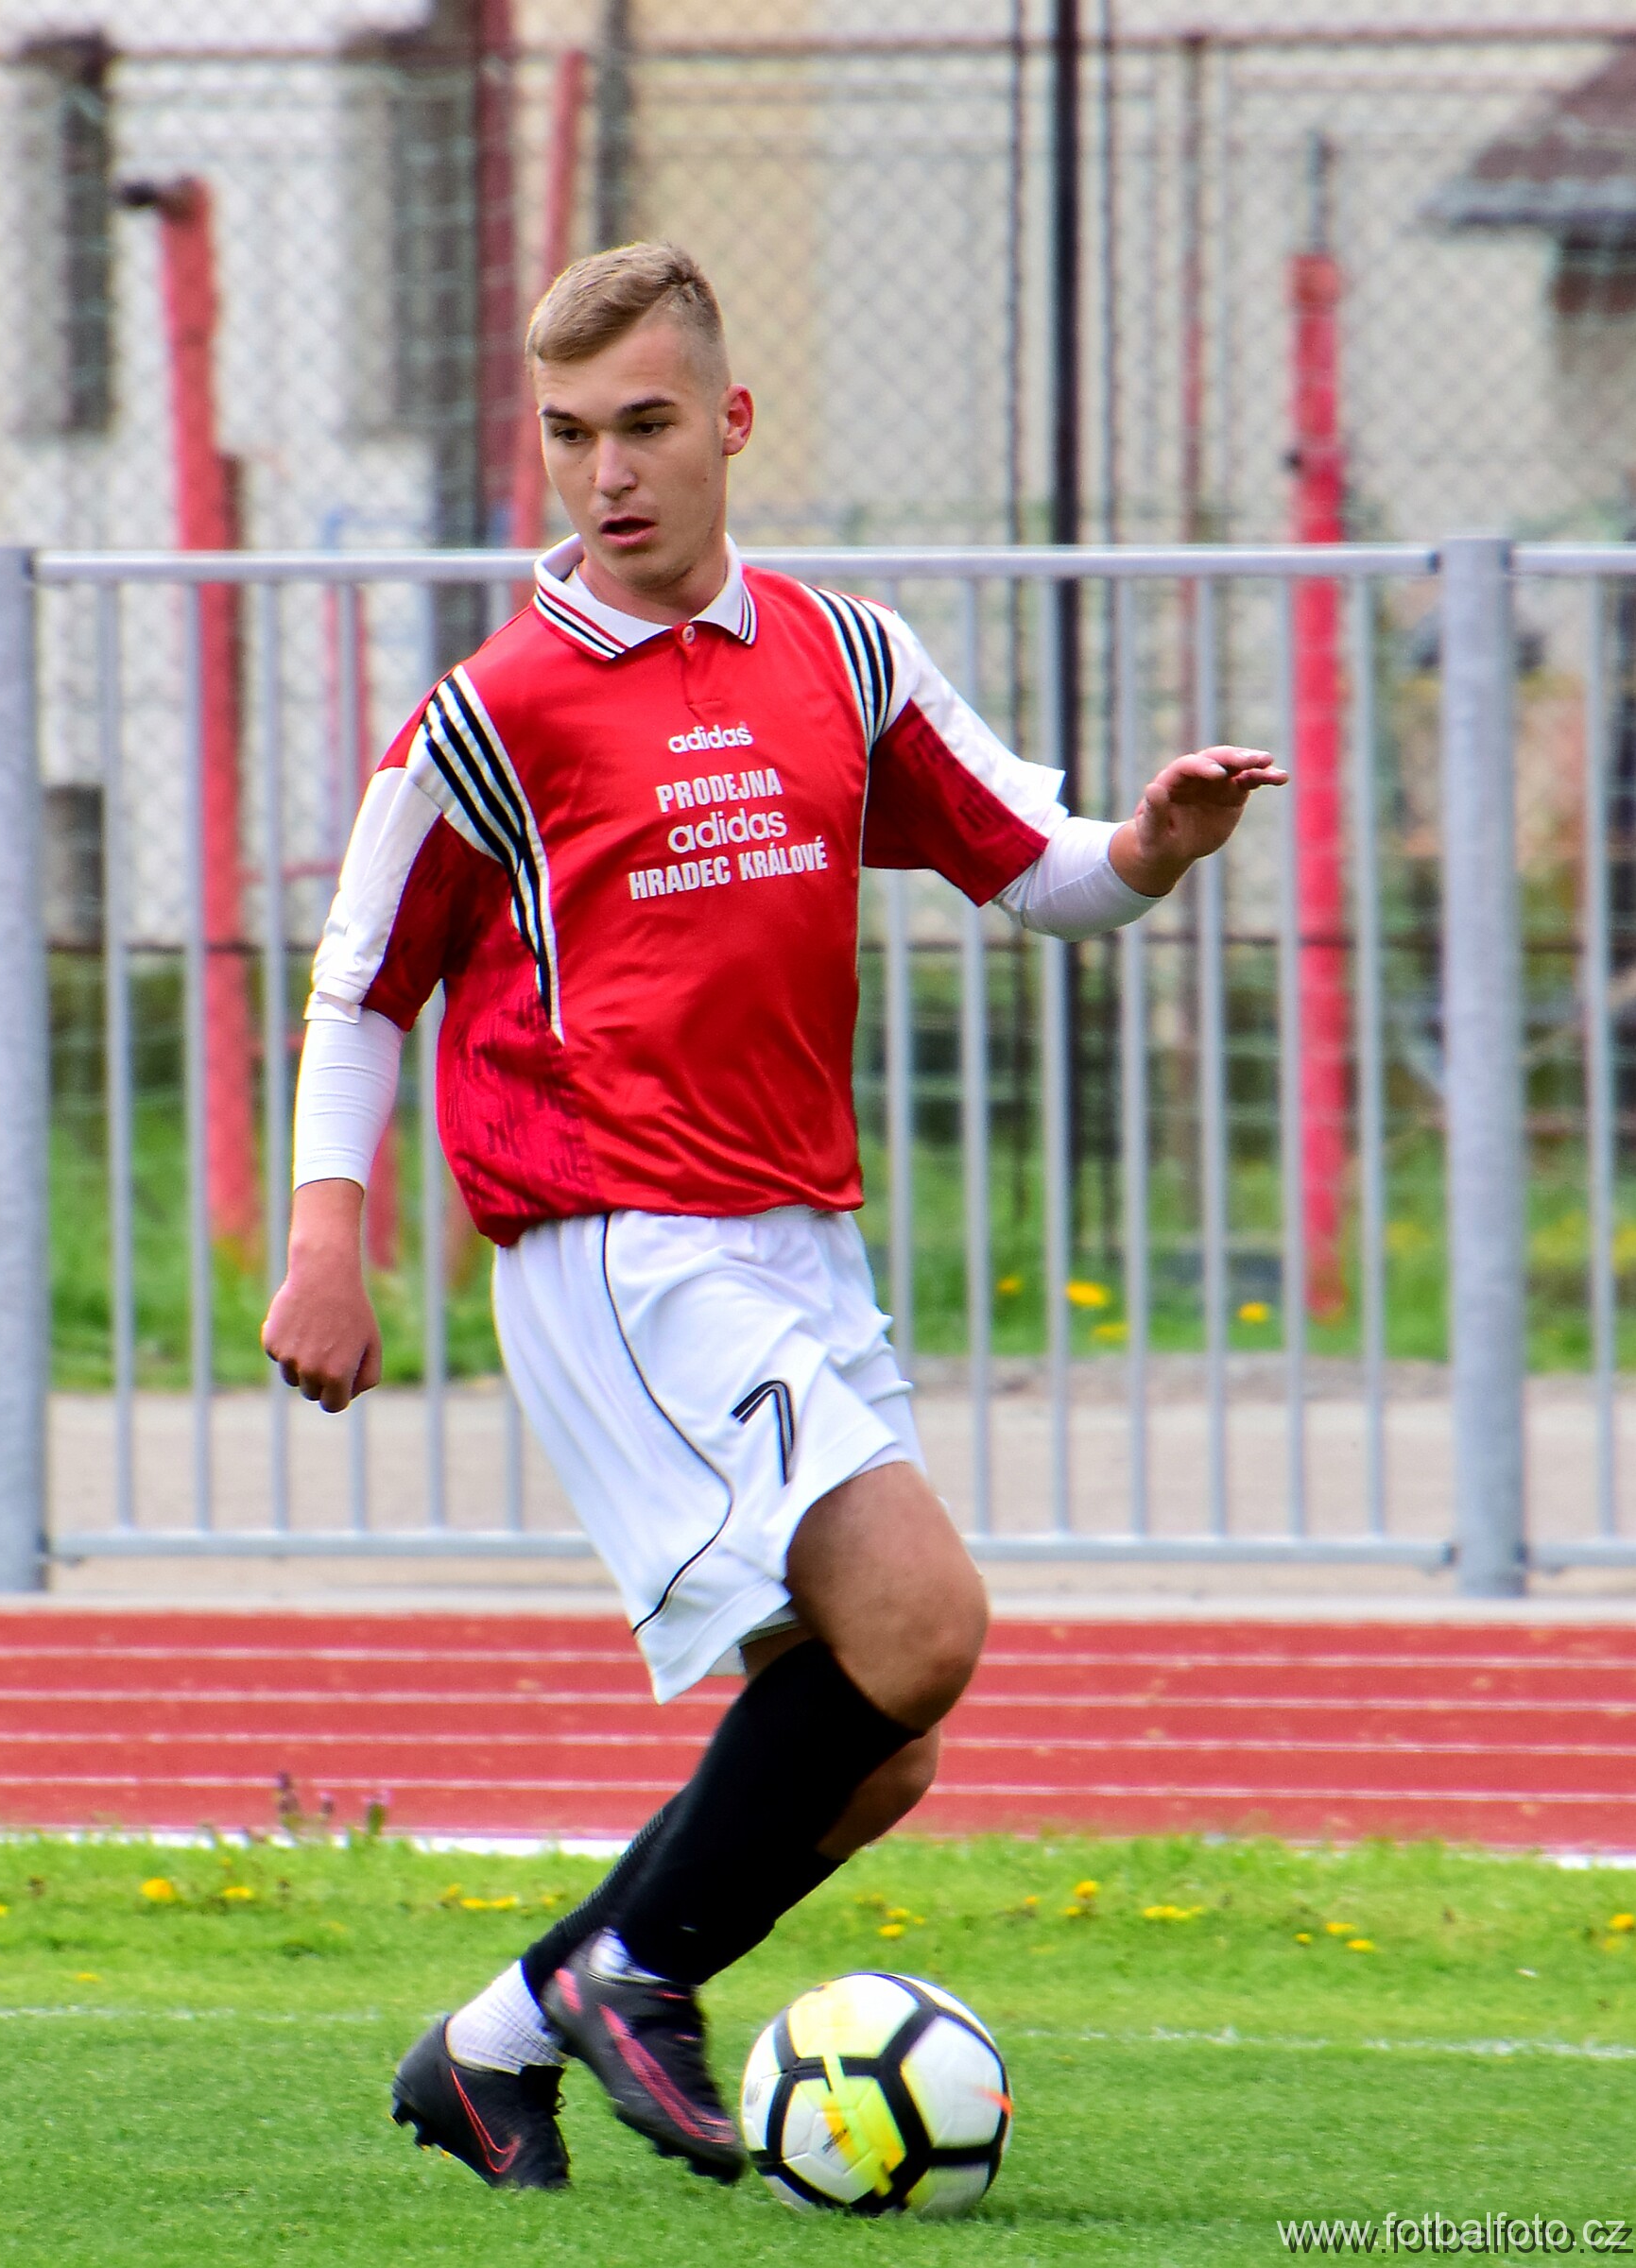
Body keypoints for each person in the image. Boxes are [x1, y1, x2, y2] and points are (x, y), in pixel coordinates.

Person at [262, 242, 1283, 2193]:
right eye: (570, 435)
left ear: (729, 421)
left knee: (880, 1745)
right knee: (925, 1624)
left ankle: (492, 2047)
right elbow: (359, 985)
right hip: (622, 1245)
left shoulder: (846, 656)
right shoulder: (492, 713)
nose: (608, 473)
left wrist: (1152, 846)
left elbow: (1037, 863)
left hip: (799, 1238)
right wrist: (329, 1236)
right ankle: (632, 1975)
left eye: (645, 425)